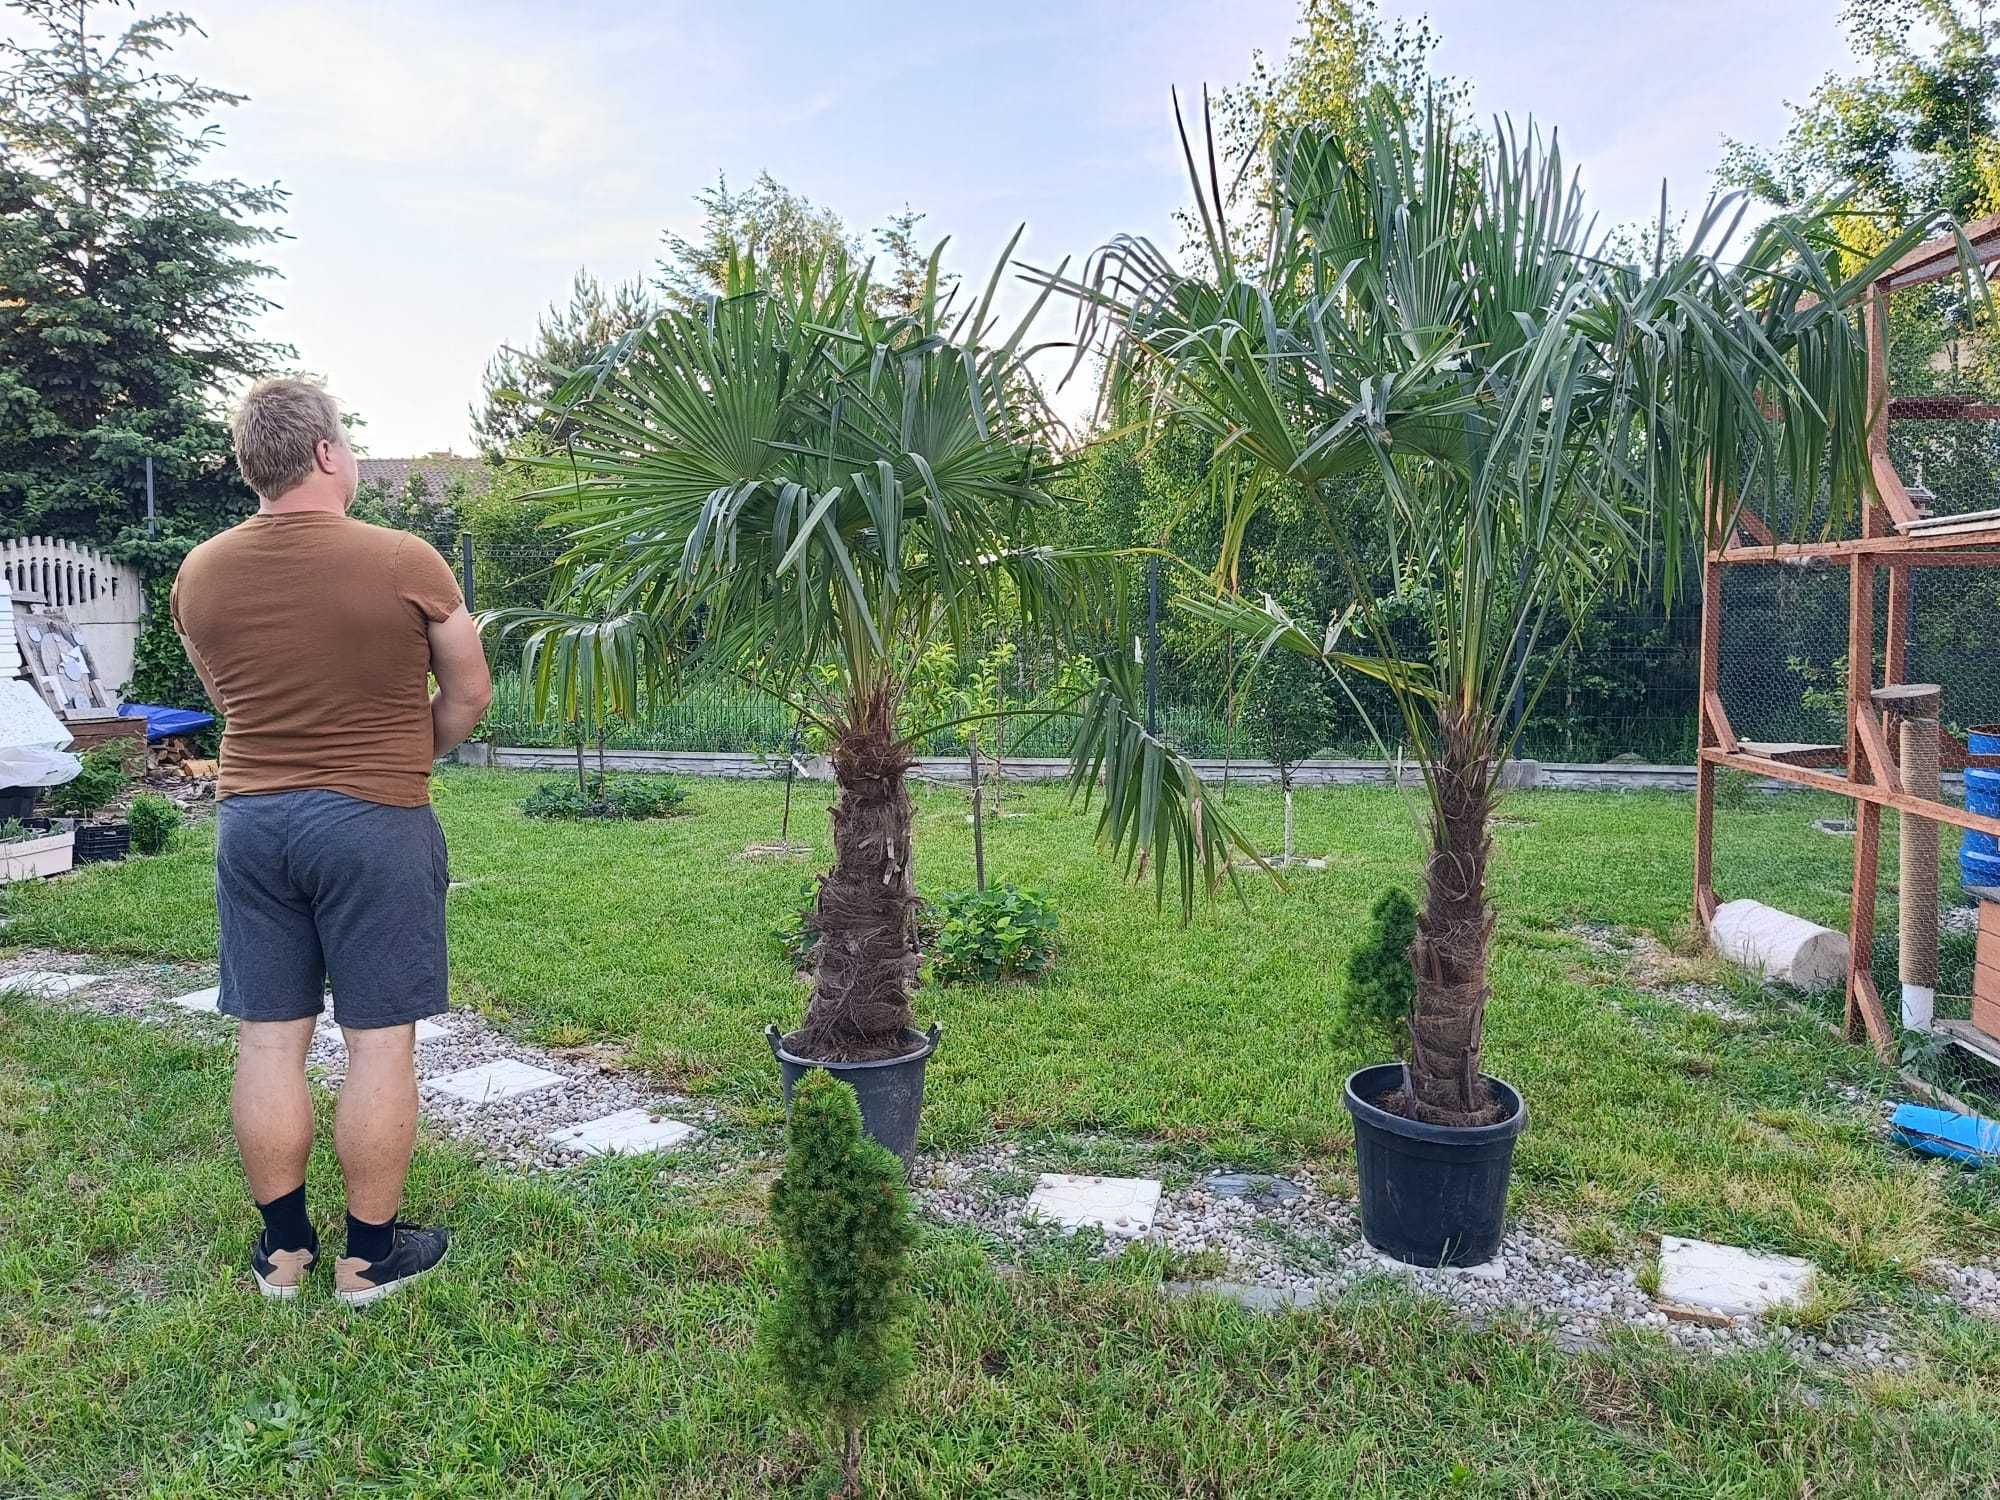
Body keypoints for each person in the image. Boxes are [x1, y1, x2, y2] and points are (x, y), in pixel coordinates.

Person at [172, 377, 492, 1307]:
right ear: (322, 453)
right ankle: (368, 1260)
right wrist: (400, 760)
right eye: (346, 442)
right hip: (374, 824)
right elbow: (469, 694)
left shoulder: (202, 572)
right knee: (379, 1041)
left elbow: (229, 696)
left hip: (252, 823)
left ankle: (282, 1256)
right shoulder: (404, 558)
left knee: (269, 1040)